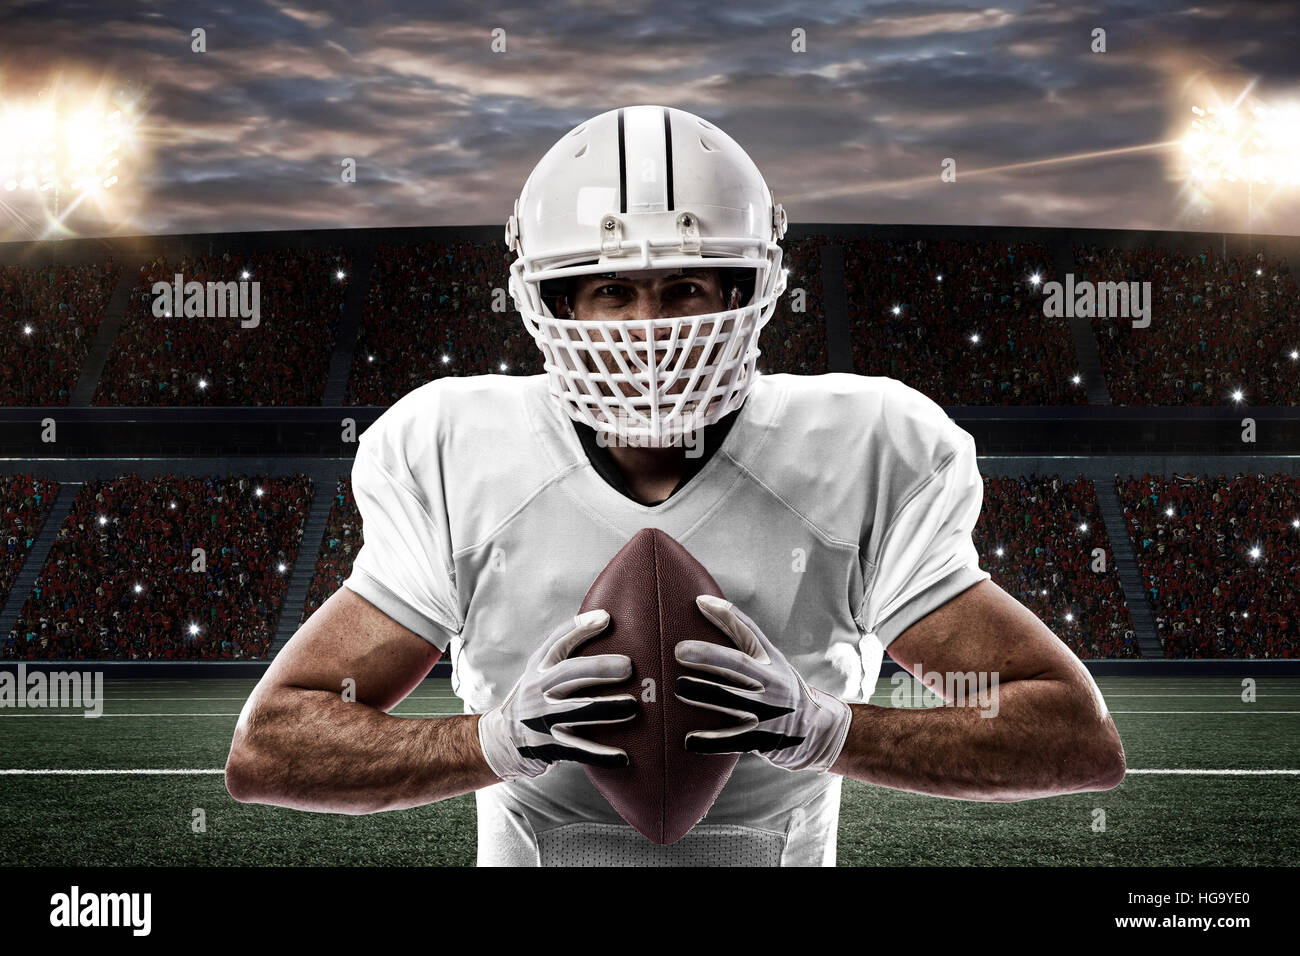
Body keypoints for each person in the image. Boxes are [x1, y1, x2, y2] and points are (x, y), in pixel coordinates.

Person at [225, 105, 1125, 866]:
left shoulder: (865, 448)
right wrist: (492, 742)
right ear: (553, 303)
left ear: (751, 289)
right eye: (610, 290)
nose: (649, 329)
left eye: (686, 286)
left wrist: (829, 729)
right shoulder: (458, 451)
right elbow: (273, 746)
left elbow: (1070, 735)